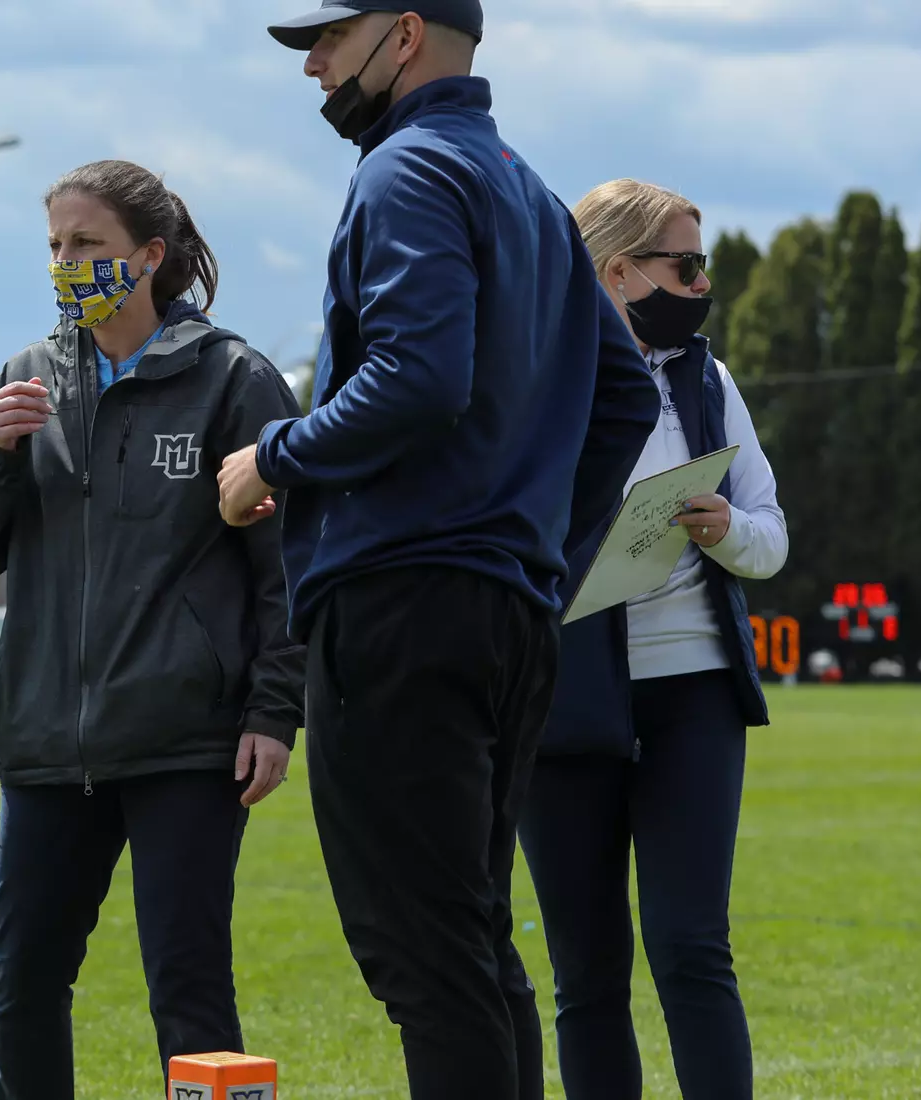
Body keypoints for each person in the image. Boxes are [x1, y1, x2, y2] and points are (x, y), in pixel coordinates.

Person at [218, 3, 661, 1096]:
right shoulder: (530, 189)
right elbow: (619, 402)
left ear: (403, 33)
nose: (313, 62)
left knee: (425, 952)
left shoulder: (404, 170)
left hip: (402, 604)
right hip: (506, 612)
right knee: (470, 939)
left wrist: (273, 456)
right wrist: (531, 546)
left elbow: (418, 376)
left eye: (327, 35)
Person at [0, 159, 305, 1100]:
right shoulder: (27, 379)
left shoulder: (234, 379)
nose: (67, 263)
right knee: (23, 982)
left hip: (187, 740)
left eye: (88, 245)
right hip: (46, 743)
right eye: (56, 246)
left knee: (190, 992)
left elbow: (290, 570)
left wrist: (274, 709)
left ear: (150, 256)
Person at [516, 180, 788, 1100]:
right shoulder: (527, 377)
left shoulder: (708, 380)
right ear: (617, 272)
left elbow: (771, 533)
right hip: (562, 694)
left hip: (694, 693)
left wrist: (724, 531)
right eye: (686, 264)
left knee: (690, 950)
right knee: (586, 973)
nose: (702, 284)